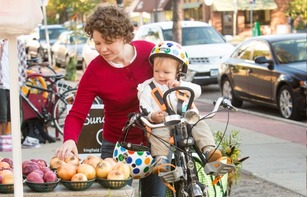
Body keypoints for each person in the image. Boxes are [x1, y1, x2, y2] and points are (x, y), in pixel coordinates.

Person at [54, 4, 167, 197]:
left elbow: (172, 75)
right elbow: (77, 113)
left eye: (108, 41)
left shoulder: (150, 53)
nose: (103, 49)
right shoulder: (95, 71)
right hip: (117, 146)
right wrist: (70, 140)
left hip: (156, 142)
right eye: (97, 43)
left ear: (123, 36)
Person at [137, 41, 222, 174]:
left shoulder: (181, 85)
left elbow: (197, 91)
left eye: (166, 72)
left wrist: (180, 85)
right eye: (156, 71)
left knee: (199, 123)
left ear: (178, 71)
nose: (160, 75)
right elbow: (144, 106)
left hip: (185, 119)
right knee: (159, 132)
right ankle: (161, 160)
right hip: (164, 121)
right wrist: (152, 115)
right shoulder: (147, 88)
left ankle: (209, 150)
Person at [0, 38, 27, 135]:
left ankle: (13, 140)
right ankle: (3, 141)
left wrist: (21, 82)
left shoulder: (18, 42)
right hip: (2, 84)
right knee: (2, 116)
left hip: (15, 85)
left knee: (14, 115)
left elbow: (23, 63)